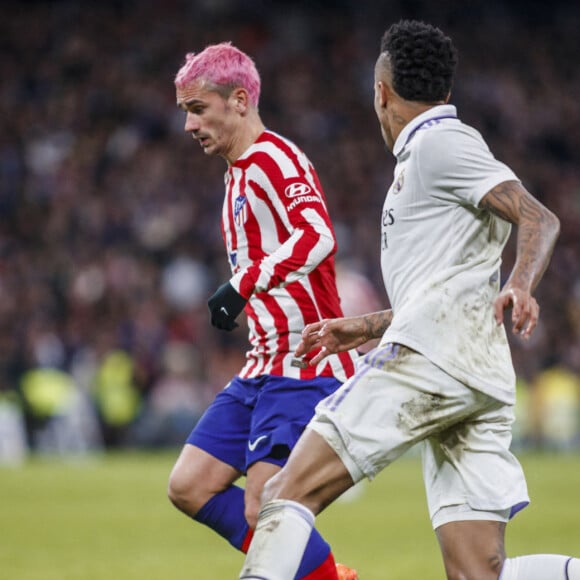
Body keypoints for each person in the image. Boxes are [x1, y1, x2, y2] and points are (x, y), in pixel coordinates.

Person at [240, 20, 580, 580]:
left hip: (429, 361)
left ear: (381, 92)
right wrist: (363, 327)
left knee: (284, 490)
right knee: (478, 572)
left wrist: (519, 283)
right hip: (476, 370)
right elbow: (445, 290)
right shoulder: (430, 160)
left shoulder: (440, 143)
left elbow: (539, 216)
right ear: (444, 90)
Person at [168, 42, 359, 580]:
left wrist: (242, 284)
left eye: (197, 109)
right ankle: (324, 575)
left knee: (264, 505)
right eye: (185, 110)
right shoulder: (235, 175)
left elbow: (319, 235)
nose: (188, 125)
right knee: (189, 485)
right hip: (262, 365)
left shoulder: (275, 158)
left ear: (240, 100)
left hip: (305, 362)